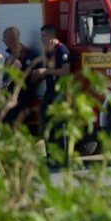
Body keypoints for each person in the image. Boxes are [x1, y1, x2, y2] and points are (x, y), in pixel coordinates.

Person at [32, 24, 70, 152]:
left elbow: (65, 71)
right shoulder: (49, 51)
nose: (41, 38)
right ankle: (50, 154)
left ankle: (62, 155)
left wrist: (46, 71)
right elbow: (50, 71)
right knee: (46, 124)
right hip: (49, 91)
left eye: (43, 36)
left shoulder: (62, 50)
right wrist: (40, 74)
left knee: (59, 125)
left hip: (59, 93)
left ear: (50, 36)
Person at [1, 26, 40, 127]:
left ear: (12, 38)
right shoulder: (6, 55)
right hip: (8, 99)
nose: (3, 40)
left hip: (22, 100)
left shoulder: (30, 54)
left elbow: (35, 77)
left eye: (5, 37)